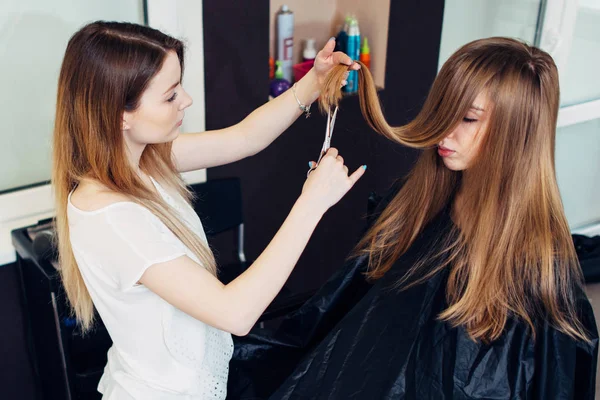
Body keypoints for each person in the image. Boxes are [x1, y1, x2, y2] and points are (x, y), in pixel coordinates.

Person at [228, 37, 599, 399]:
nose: (444, 129)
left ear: (516, 133)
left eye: (468, 118)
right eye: (444, 108)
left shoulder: (542, 273)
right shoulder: (419, 203)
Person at [51, 21, 364, 399]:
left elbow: (245, 137)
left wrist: (313, 82)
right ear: (121, 114)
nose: (186, 100)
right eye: (170, 96)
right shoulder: (112, 216)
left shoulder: (143, 161)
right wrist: (312, 204)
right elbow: (236, 313)